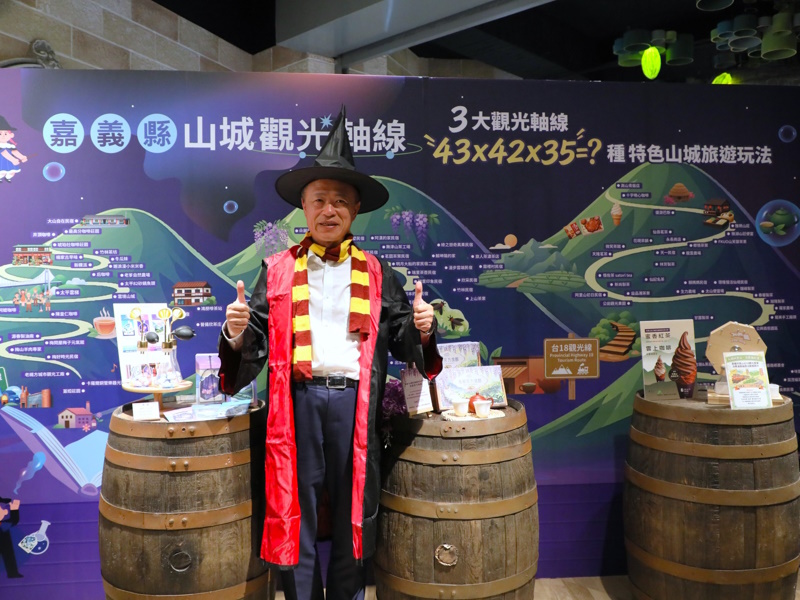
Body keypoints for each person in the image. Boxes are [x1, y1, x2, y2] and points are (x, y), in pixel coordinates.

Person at [218, 106, 441, 600]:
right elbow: (254, 336)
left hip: (354, 405)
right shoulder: (276, 269)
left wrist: (423, 329)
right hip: (295, 403)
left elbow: (402, 336)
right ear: (303, 206)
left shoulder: (378, 272)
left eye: (340, 201)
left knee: (352, 510)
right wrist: (235, 332)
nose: (328, 210)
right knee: (293, 507)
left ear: (355, 210)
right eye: (319, 200)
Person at [0, 496, 22, 578]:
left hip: (5, 544)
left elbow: (14, 520)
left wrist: (14, 508)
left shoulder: (3, 525)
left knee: (9, 556)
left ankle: (13, 573)